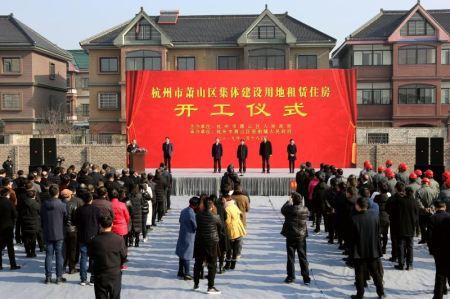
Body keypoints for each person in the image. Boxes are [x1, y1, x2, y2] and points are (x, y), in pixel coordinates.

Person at [351, 197, 385, 299]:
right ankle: (381, 293)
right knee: (376, 273)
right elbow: (378, 231)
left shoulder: (354, 219)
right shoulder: (375, 216)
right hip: (372, 249)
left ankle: (360, 294)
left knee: (359, 274)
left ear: (358, 206)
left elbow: (352, 237)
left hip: (359, 250)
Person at [89, 215, 127, 299]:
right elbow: (124, 255)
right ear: (112, 224)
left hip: (100, 273)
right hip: (114, 273)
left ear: (100, 225)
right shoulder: (119, 239)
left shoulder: (94, 240)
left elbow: (90, 255)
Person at [193, 197, 222, 294]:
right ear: (212, 206)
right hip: (212, 243)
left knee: (198, 263)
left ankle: (196, 284)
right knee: (212, 264)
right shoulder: (215, 216)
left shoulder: (197, 215)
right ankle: (210, 286)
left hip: (199, 242)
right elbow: (221, 227)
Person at [281, 192, 311, 285]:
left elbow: (282, 210)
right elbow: (308, 215)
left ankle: (291, 276)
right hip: (301, 236)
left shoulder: (289, 209)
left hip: (291, 236)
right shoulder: (305, 209)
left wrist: (288, 201)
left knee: (291, 257)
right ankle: (306, 278)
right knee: (303, 257)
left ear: (293, 200)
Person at [41, 184, 67, 284]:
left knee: (49, 255)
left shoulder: (44, 204)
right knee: (59, 255)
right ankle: (59, 277)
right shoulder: (62, 204)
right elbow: (65, 217)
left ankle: (48, 277)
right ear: (57, 193)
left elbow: (42, 216)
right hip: (59, 232)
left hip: (48, 232)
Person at [74, 191, 101, 286]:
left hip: (82, 236)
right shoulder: (96, 210)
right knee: (93, 258)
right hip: (94, 236)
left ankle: (83, 279)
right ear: (91, 199)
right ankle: (93, 278)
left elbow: (75, 222)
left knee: (83, 257)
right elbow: (100, 222)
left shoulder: (79, 210)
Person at [389, 183, 418, 270]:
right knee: (410, 246)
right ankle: (410, 264)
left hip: (401, 227)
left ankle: (401, 264)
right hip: (411, 227)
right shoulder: (415, 202)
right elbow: (417, 216)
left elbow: (394, 212)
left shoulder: (400, 201)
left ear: (405, 192)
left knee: (401, 245)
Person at [428, 200, 450, 299]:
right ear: (445, 207)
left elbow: (429, 236)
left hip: (439, 250)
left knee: (440, 274)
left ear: (436, 207)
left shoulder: (432, 218)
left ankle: (438, 296)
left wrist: (431, 250)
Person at [176, 196, 199, 280]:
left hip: (182, 234)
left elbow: (180, 220)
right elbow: (196, 226)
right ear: (196, 205)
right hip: (189, 236)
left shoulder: (183, 211)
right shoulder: (192, 214)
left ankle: (180, 271)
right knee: (187, 255)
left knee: (182, 253)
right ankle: (187, 273)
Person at [61, 189, 83, 274]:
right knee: (73, 249)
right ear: (70, 194)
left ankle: (63, 266)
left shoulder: (60, 204)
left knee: (64, 249)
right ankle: (71, 267)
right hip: (73, 229)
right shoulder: (76, 203)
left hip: (63, 229)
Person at [224, 193, 246, 270]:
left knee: (229, 249)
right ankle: (233, 265)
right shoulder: (234, 206)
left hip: (231, 230)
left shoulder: (226, 209)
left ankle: (227, 265)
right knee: (235, 250)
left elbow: (227, 221)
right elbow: (241, 214)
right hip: (238, 229)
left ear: (225, 199)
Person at [0, 188, 20, 270]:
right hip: (8, 227)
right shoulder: (9, 203)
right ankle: (13, 264)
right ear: (7, 194)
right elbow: (15, 214)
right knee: (10, 247)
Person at [19, 189, 41, 258]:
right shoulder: (36, 204)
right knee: (33, 239)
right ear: (34, 196)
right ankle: (33, 252)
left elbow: (20, 212)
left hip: (24, 223)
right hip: (34, 224)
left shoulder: (23, 203)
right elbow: (40, 212)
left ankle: (28, 252)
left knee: (26, 239)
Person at [417, 178, 435, 244]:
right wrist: (431, 208)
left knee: (422, 226)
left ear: (422, 183)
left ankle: (424, 239)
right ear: (428, 183)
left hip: (422, 212)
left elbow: (418, 201)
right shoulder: (433, 191)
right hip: (431, 211)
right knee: (430, 226)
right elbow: (435, 200)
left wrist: (423, 208)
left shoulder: (419, 191)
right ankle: (429, 239)